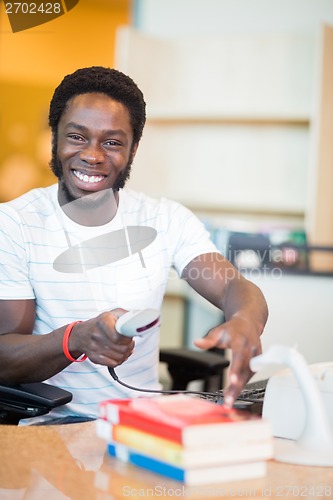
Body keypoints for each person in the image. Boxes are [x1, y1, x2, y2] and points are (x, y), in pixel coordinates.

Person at [0, 67, 268, 424]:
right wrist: (76, 338)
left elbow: (235, 285)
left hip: (141, 425)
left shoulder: (165, 219)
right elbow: (4, 355)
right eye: (77, 137)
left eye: (112, 142)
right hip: (52, 429)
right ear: (55, 137)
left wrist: (245, 320)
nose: (93, 156)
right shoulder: (15, 224)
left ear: (133, 148)